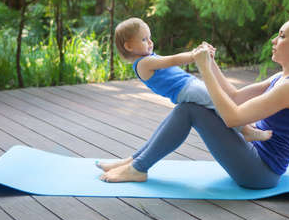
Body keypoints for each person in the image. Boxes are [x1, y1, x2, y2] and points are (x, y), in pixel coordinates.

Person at [98, 14, 289, 189]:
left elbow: (232, 117)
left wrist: (204, 70)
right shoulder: (284, 76)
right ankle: (134, 162)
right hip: (253, 154)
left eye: (282, 36)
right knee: (188, 107)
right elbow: (234, 97)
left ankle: (138, 168)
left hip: (260, 172)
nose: (274, 40)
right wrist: (210, 63)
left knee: (189, 109)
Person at [107, 17, 272, 142]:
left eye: (150, 37)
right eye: (144, 40)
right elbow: (172, 60)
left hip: (189, 84)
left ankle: (246, 124)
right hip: (184, 90)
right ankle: (246, 131)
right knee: (217, 101)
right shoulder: (143, 64)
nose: (150, 42)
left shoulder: (148, 58)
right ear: (129, 46)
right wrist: (195, 55)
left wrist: (200, 54)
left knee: (220, 98)